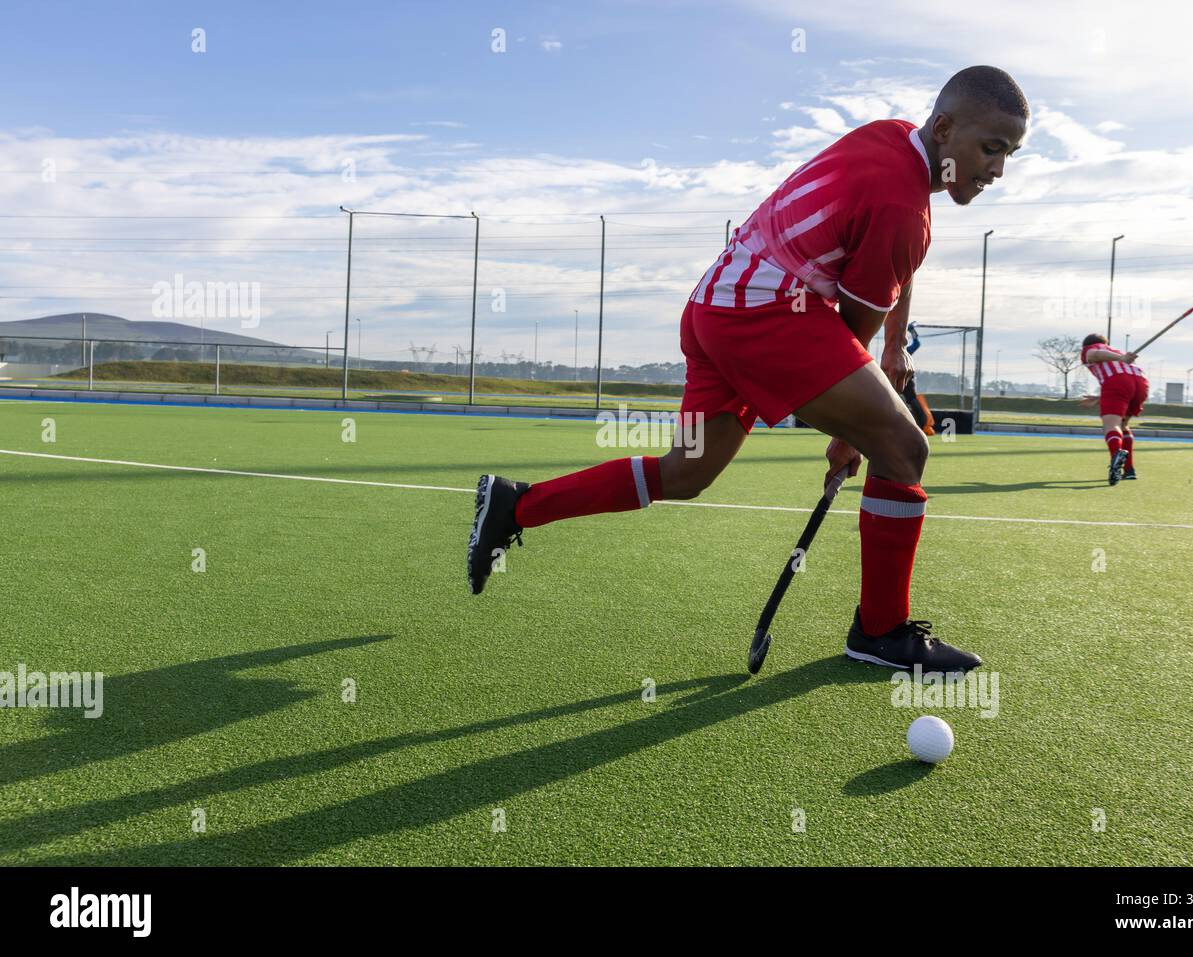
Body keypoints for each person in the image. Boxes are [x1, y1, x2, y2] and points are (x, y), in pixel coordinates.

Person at [468, 66, 1029, 673]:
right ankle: (882, 630)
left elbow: (892, 266)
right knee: (903, 448)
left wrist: (896, 350)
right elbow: (853, 327)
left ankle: (515, 505)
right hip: (767, 317)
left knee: (686, 472)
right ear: (945, 128)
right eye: (990, 148)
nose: (997, 169)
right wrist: (853, 430)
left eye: (1010, 154)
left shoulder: (891, 138)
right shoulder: (901, 207)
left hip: (714, 307)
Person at [1078, 334, 1148, 484]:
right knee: (1123, 425)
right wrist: (1099, 398)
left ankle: (1116, 456)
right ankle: (1129, 470)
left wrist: (1121, 358)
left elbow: (1095, 355)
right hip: (1140, 382)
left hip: (1117, 381)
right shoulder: (1119, 351)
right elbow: (1125, 382)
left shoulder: (1089, 349)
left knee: (1111, 425)